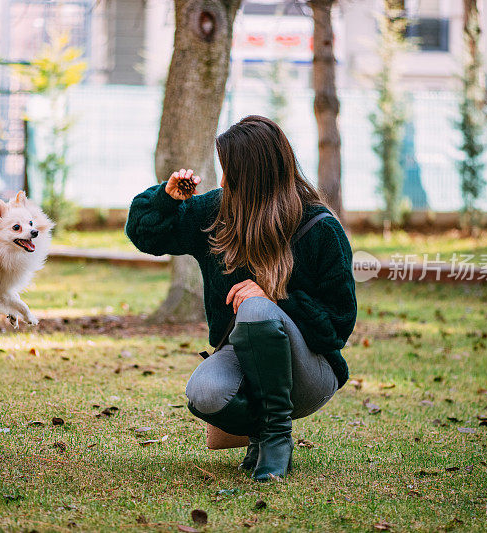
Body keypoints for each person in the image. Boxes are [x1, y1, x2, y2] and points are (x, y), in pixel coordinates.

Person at [125, 115, 357, 481]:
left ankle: (278, 438)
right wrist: (167, 200)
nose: (223, 179)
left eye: (229, 170)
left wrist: (277, 301)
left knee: (256, 307)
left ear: (251, 174)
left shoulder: (320, 227)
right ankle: (263, 432)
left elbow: (338, 326)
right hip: (242, 355)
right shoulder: (217, 212)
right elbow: (145, 236)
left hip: (309, 370)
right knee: (204, 394)